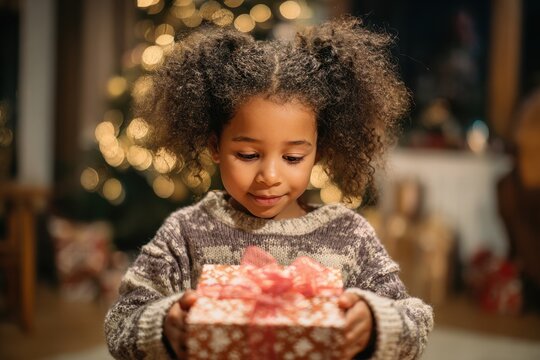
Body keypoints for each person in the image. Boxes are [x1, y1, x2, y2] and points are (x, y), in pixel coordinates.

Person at [105, 17, 433, 360]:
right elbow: (121, 322)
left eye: (292, 157)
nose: (269, 176)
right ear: (215, 146)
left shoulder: (350, 236)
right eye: (248, 155)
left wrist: (374, 323)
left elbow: (414, 322)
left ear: (318, 151)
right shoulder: (185, 233)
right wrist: (164, 326)